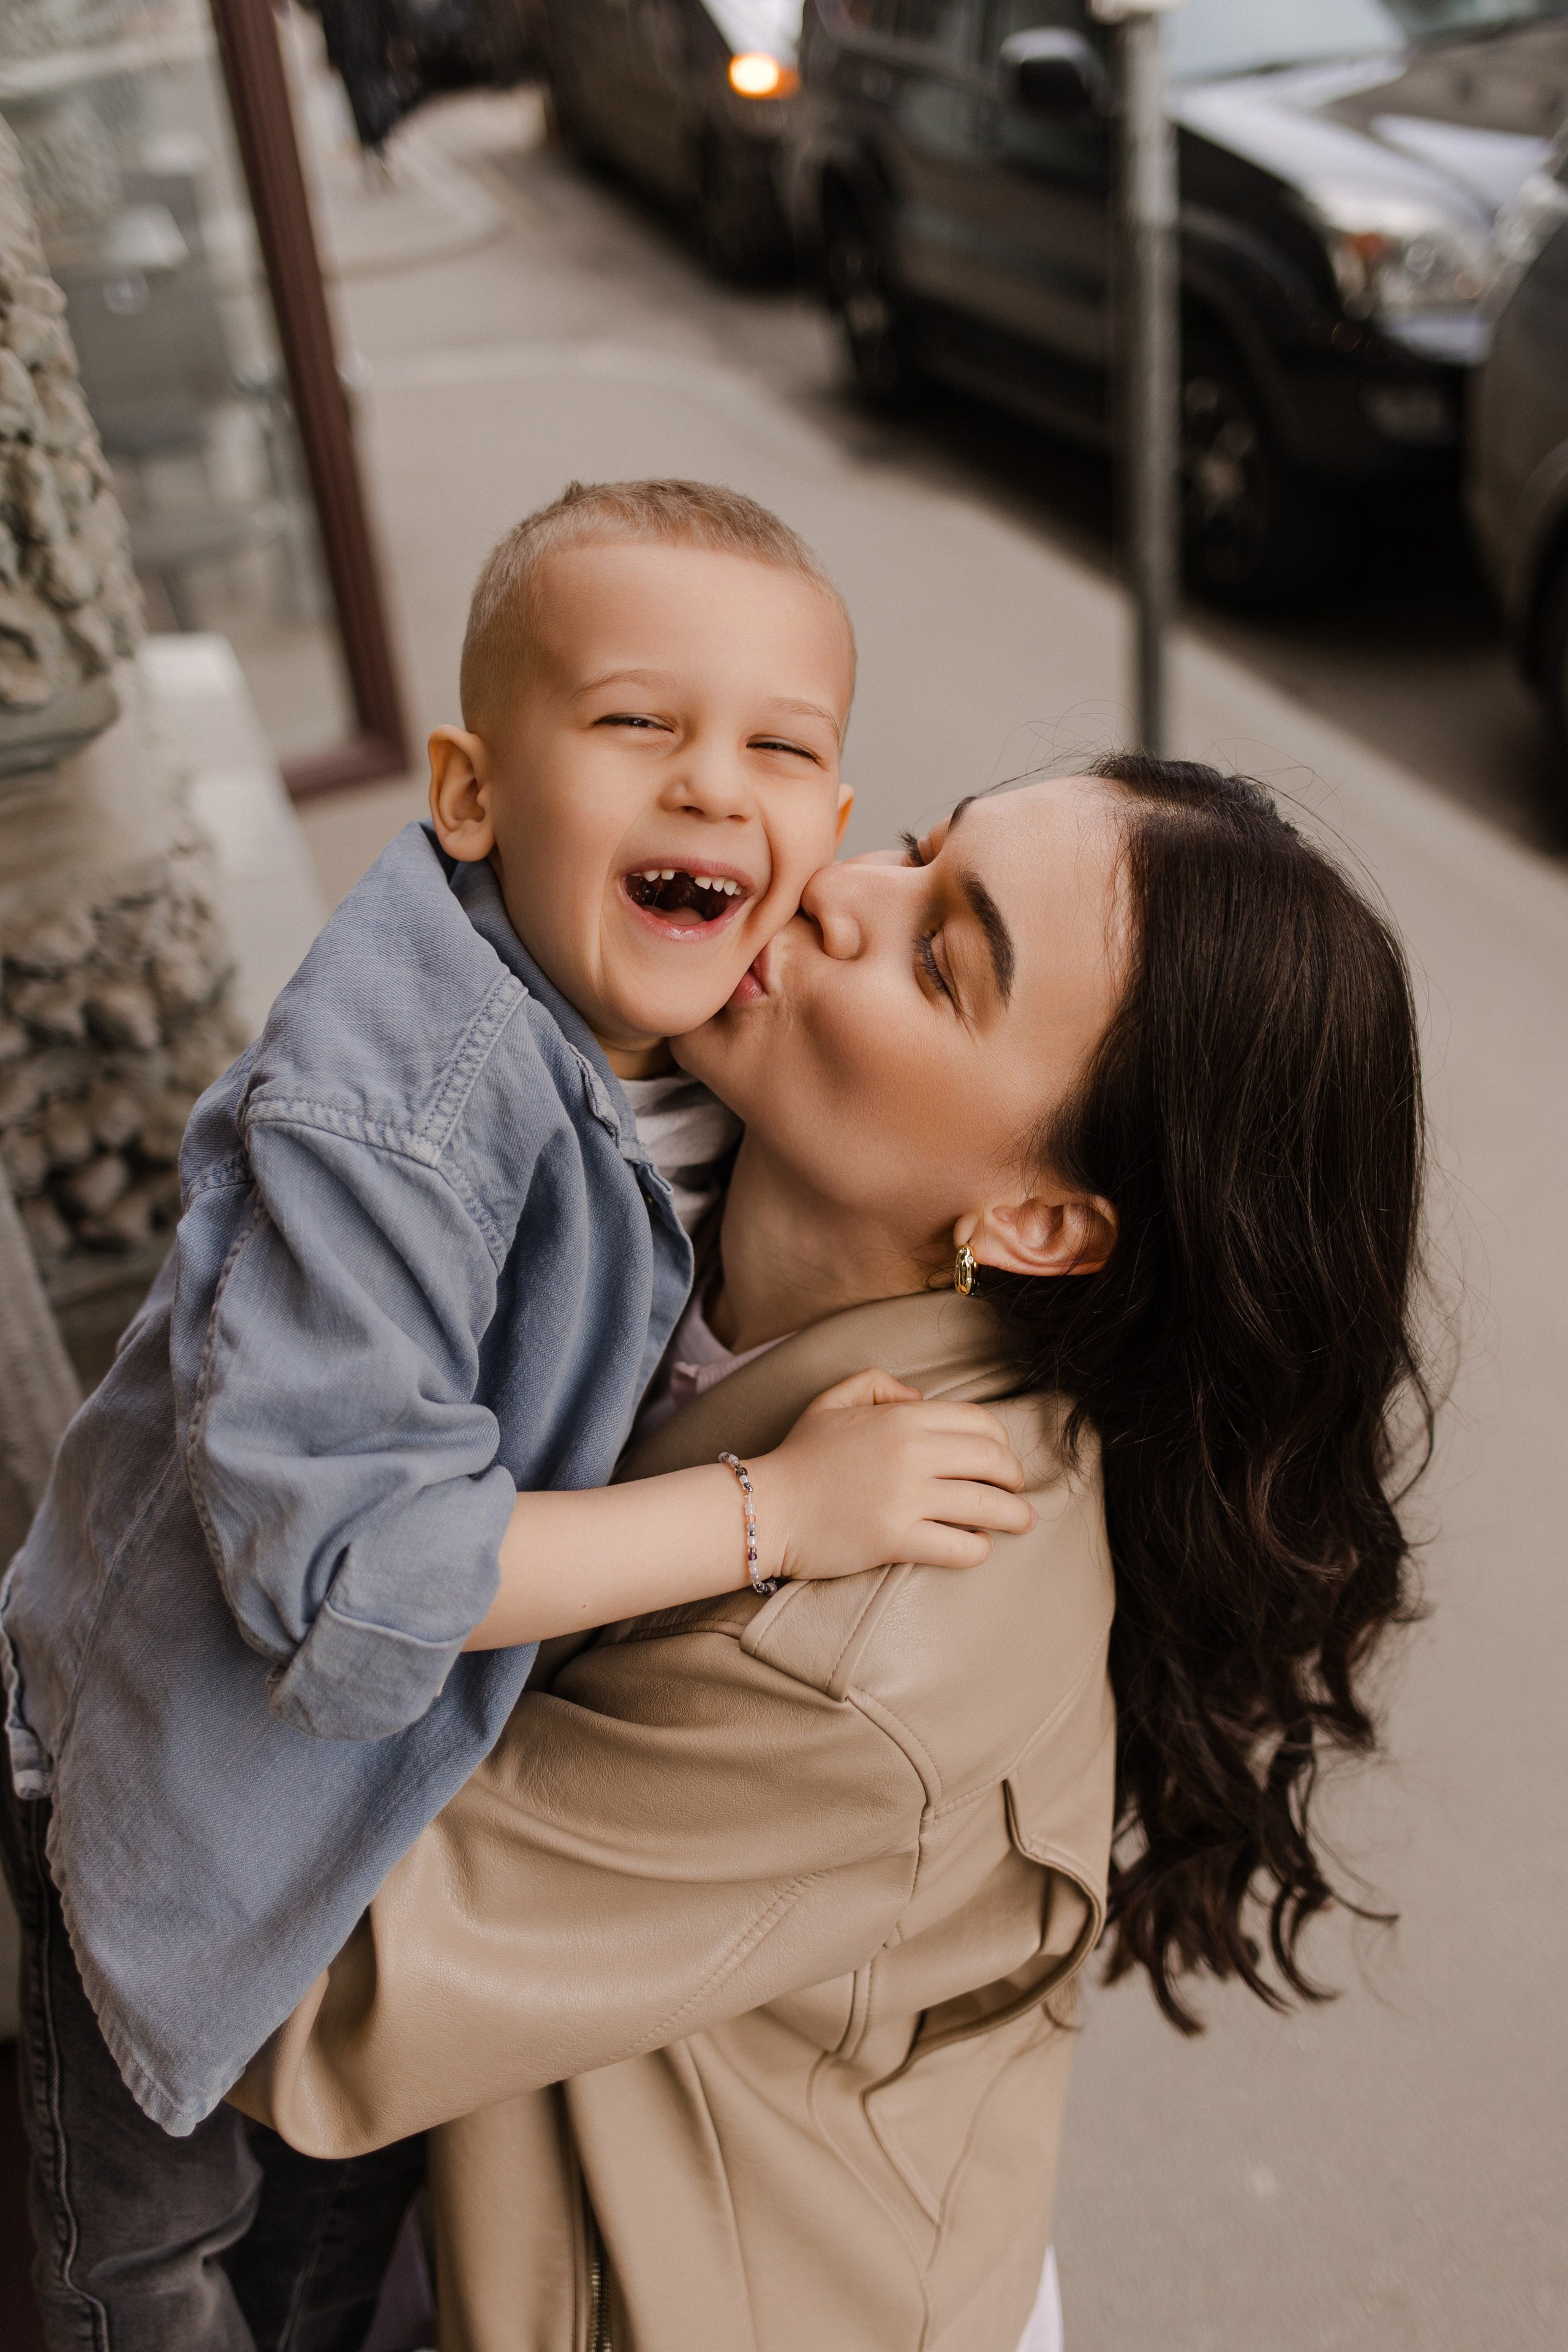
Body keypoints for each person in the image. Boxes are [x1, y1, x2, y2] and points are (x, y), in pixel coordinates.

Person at [0, 480, 1032, 2350]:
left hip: (378, 1813)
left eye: (781, 749)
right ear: (471, 794)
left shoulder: (691, 1030)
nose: (716, 786)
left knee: (324, 2238)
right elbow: (345, 1568)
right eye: (640, 722)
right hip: (172, 1802)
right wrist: (774, 1517)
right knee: (136, 2269)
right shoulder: (398, 1096)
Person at [238, 757, 1431, 2350]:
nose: (837, 890)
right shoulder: (669, 1188)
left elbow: (278, 1983)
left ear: (1039, 1225)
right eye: (918, 846)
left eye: (942, 957)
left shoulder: (862, 1657)